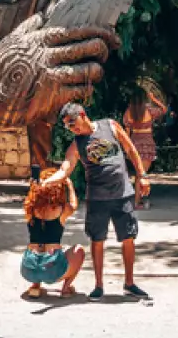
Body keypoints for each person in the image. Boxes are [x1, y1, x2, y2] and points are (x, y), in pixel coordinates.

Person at [43, 102, 151, 301]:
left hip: (122, 193)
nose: (72, 128)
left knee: (128, 237)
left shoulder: (110, 126)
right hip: (97, 198)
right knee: (97, 239)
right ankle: (99, 285)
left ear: (83, 115)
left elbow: (130, 148)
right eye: (68, 126)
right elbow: (65, 169)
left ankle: (129, 283)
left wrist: (142, 174)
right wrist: (46, 181)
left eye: (73, 123)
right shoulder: (77, 144)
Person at [21, 167, 85, 300]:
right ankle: (66, 289)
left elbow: (31, 197)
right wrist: (70, 185)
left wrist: (34, 187)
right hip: (52, 271)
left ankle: (35, 286)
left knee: (37, 252)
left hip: (28, 269)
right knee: (79, 250)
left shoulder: (31, 208)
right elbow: (73, 204)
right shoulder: (62, 211)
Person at [122, 87, 165, 209]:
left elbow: (126, 132)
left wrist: (127, 148)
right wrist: (154, 99)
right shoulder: (149, 110)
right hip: (147, 143)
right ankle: (137, 201)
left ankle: (137, 200)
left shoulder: (128, 112)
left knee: (138, 174)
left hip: (134, 143)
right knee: (142, 175)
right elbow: (163, 109)